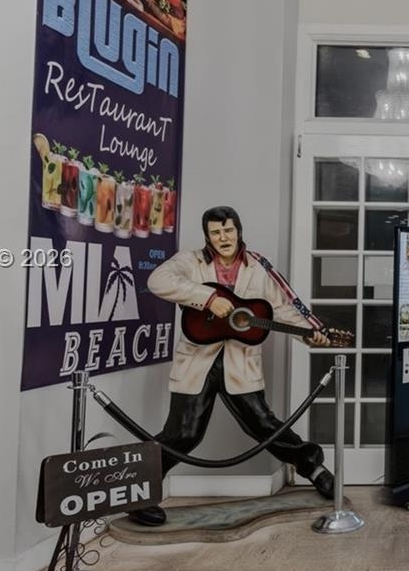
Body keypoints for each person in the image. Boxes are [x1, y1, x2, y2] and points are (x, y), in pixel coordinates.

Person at [127, 205, 334, 525]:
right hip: (197, 361)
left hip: (240, 361)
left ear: (238, 230)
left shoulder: (259, 267)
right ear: (207, 236)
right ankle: (139, 492)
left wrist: (310, 333)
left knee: (264, 425)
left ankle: (314, 469)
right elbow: (157, 280)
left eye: (228, 230)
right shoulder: (190, 261)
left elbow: (282, 308)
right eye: (215, 232)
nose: (223, 237)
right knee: (183, 433)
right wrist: (208, 298)